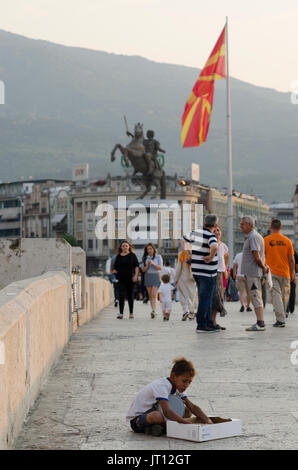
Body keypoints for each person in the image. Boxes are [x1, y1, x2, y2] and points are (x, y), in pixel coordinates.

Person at [126, 357, 213, 436]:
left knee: (187, 411)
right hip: (138, 420)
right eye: (184, 381)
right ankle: (157, 427)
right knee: (157, 416)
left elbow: (192, 407)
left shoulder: (177, 387)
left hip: (159, 413)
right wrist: (187, 425)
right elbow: (167, 412)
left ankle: (158, 428)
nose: (186, 385)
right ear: (173, 376)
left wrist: (207, 420)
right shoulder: (162, 385)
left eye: (189, 382)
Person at [182, 214, 219, 333]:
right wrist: (210, 256)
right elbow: (214, 246)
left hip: (196, 271)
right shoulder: (211, 235)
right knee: (205, 299)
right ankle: (201, 325)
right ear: (215, 224)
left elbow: (183, 239)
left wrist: (188, 252)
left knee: (204, 297)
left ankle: (208, 322)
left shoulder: (195, 233)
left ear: (204, 223)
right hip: (208, 273)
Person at [264, 219, 296, 327]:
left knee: (276, 295)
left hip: (272, 273)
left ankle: (281, 319)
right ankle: (282, 314)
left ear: (271, 227)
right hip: (286, 273)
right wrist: (293, 273)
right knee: (285, 296)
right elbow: (291, 259)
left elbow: (262, 257)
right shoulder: (287, 241)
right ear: (281, 228)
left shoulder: (266, 240)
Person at [240, 216, 268, 332]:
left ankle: (260, 323)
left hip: (253, 272)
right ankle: (259, 322)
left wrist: (264, 267)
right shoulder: (250, 237)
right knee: (255, 296)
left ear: (250, 225)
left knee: (256, 296)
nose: (240, 226)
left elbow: (257, 257)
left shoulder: (253, 237)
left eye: (243, 224)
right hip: (251, 272)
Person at [112, 240, 139, 319]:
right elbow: (115, 267)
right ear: (121, 247)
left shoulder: (132, 255)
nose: (125, 247)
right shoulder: (118, 256)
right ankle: (121, 313)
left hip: (130, 278)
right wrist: (114, 271)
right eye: (123, 246)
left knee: (130, 295)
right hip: (120, 279)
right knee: (121, 295)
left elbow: (136, 266)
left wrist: (136, 276)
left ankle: (131, 313)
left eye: (126, 246)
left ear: (129, 247)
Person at [211, 225, 229, 330]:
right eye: (214, 230)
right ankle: (212, 321)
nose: (217, 232)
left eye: (218, 230)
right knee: (215, 297)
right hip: (212, 272)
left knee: (220, 296)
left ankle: (213, 321)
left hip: (221, 273)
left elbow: (226, 258)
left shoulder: (223, 246)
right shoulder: (210, 244)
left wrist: (226, 270)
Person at [140, 243, 163, 318]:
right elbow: (143, 270)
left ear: (153, 249)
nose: (149, 250)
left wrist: (153, 264)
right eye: (148, 249)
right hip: (148, 276)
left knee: (154, 294)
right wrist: (148, 265)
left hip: (156, 276)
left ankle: (154, 310)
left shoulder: (158, 257)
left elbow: (160, 268)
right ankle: (153, 310)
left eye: (150, 249)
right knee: (150, 295)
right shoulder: (145, 258)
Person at [174, 250, 197, 321]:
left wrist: (176, 279)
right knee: (192, 295)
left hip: (183, 278)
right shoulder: (195, 252)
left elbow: (178, 268)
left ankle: (185, 311)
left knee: (183, 296)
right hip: (193, 277)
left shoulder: (182, 253)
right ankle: (192, 313)